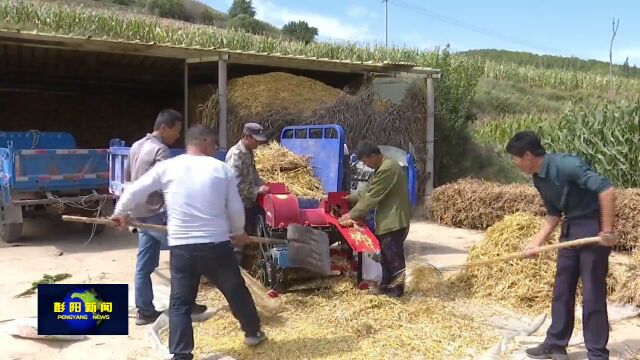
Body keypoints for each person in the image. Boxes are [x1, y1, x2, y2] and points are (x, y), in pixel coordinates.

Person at [112, 124, 266, 360]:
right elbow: (234, 207)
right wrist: (238, 232)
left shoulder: (169, 167)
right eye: (214, 144)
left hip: (182, 247)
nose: (215, 149)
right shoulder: (220, 168)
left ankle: (181, 353)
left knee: (180, 302)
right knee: (235, 290)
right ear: (204, 142)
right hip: (215, 244)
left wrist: (121, 211)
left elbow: (136, 189)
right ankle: (252, 332)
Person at [505, 131, 617, 360]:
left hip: (592, 229)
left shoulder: (567, 165)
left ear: (527, 155)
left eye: (515, 158)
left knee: (592, 293)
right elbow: (554, 214)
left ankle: (597, 353)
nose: (514, 163)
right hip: (570, 229)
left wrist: (606, 230)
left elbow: (606, 190)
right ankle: (555, 344)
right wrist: (535, 243)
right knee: (562, 289)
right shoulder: (539, 178)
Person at [125, 109, 207, 326]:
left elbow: (128, 179)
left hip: (139, 216)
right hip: (157, 215)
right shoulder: (160, 151)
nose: (178, 136)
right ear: (164, 128)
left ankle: (144, 311)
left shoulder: (135, 147)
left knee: (144, 266)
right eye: (177, 131)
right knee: (186, 257)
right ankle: (186, 306)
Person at [340, 142, 411, 297]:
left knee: (394, 257)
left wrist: (351, 215)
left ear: (373, 156)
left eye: (366, 161)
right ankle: (386, 286)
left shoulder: (388, 169)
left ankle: (398, 290)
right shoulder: (381, 168)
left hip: (393, 219)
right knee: (385, 256)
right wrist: (347, 197)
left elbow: (372, 196)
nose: (366, 165)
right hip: (387, 219)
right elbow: (368, 191)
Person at [225, 123, 269, 262]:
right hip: (237, 204)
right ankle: (235, 274)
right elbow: (235, 184)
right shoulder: (236, 155)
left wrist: (263, 185)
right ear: (246, 137)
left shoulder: (249, 152)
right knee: (237, 244)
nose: (258, 144)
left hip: (248, 202)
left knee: (248, 239)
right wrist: (257, 191)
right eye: (256, 140)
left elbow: (253, 175)